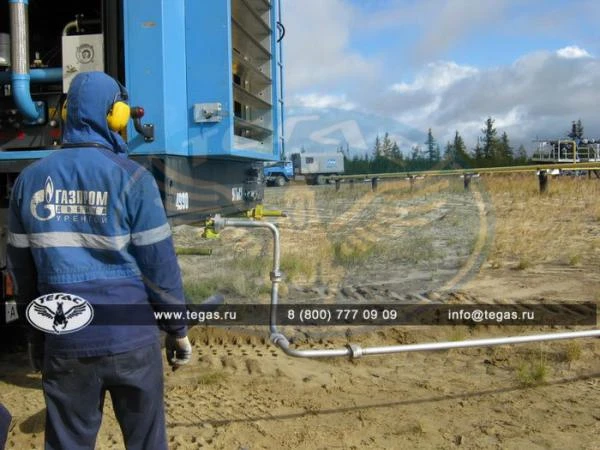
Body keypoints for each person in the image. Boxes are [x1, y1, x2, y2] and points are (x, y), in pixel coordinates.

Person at [7, 71, 191, 450]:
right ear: (116, 116)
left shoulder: (29, 181)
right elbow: (160, 267)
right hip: (132, 339)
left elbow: (22, 274)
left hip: (66, 338)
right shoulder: (134, 179)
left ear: (66, 115)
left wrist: (35, 335)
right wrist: (178, 330)